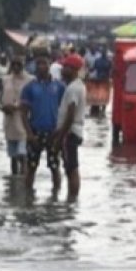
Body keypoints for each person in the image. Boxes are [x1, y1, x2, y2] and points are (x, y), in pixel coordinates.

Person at [21, 51, 66, 192]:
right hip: (35, 132)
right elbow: (23, 113)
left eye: (44, 63)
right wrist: (28, 134)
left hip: (53, 132)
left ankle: (56, 198)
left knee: (54, 167)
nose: (41, 66)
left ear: (49, 65)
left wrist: (60, 132)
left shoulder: (59, 87)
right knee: (31, 167)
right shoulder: (29, 88)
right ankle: (28, 198)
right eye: (38, 64)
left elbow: (65, 111)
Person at [54, 54, 87, 202]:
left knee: (71, 168)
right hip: (74, 131)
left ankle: (71, 199)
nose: (62, 70)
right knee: (71, 167)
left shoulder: (73, 88)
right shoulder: (78, 85)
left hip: (70, 133)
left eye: (65, 67)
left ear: (72, 69)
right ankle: (72, 199)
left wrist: (60, 136)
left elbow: (71, 113)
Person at [0, 56, 32, 175]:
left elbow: (32, 100)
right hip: (9, 121)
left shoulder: (30, 80)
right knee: (13, 156)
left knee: (22, 153)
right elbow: (1, 97)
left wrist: (18, 107)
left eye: (19, 64)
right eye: (14, 65)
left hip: (24, 121)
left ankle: (24, 178)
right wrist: (3, 107)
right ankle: (14, 181)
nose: (16, 67)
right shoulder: (6, 80)